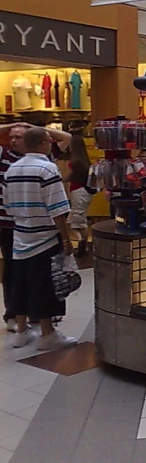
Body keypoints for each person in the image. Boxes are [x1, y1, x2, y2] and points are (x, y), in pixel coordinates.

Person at [4, 127, 77, 350]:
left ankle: (21, 330)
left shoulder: (12, 170)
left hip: (20, 234)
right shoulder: (47, 169)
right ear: (45, 143)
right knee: (44, 285)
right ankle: (47, 334)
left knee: (20, 283)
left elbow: (7, 205)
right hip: (44, 236)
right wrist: (66, 238)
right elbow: (57, 209)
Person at [64, 136, 94, 257]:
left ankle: (81, 241)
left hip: (77, 192)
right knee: (79, 219)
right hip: (86, 192)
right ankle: (84, 244)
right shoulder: (86, 162)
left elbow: (65, 178)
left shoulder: (74, 163)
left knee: (76, 221)